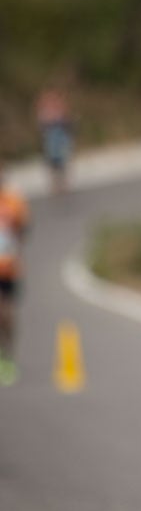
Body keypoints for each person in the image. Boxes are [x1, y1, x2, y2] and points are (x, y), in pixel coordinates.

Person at [0, 165, 30, 385]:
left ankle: (7, 356)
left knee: (7, 316)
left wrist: (15, 247)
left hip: (8, 269)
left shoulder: (13, 202)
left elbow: (24, 229)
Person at [36, 84, 73, 194]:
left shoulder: (60, 109)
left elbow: (66, 121)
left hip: (60, 138)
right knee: (52, 163)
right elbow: (42, 124)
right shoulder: (44, 112)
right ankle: (55, 184)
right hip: (51, 140)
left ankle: (63, 183)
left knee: (62, 161)